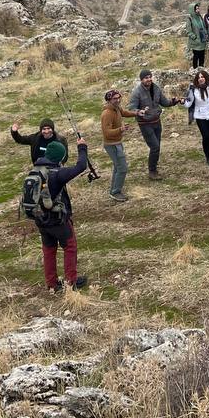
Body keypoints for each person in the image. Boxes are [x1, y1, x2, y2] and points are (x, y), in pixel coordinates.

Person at [31, 136, 91, 292]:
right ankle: (71, 282)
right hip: (57, 220)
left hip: (40, 219)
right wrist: (82, 147)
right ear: (59, 157)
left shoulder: (35, 170)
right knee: (70, 246)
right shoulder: (57, 173)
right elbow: (80, 166)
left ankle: (51, 283)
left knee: (48, 249)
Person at [125, 69, 182, 179]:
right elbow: (132, 108)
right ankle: (152, 171)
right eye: (146, 77)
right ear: (141, 80)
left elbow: (164, 102)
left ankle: (154, 167)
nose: (149, 79)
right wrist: (139, 112)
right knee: (155, 146)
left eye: (150, 77)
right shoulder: (137, 92)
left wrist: (174, 102)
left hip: (157, 122)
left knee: (157, 146)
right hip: (145, 124)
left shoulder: (156, 88)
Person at [100, 89, 129, 203]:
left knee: (118, 167)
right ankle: (115, 192)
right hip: (112, 145)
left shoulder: (116, 108)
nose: (117, 100)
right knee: (122, 168)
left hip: (117, 143)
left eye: (118, 98)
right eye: (114, 98)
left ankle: (114, 189)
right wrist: (120, 129)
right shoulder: (107, 114)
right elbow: (107, 132)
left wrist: (137, 113)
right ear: (109, 100)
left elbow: (124, 112)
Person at [186, 2, 208, 70]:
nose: (198, 10)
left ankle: (201, 70)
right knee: (196, 56)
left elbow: (204, 27)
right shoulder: (189, 19)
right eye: (196, 9)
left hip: (202, 40)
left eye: (198, 8)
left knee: (202, 56)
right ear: (192, 10)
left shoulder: (200, 16)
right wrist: (194, 37)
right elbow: (188, 31)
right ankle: (195, 71)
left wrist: (206, 34)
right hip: (195, 42)